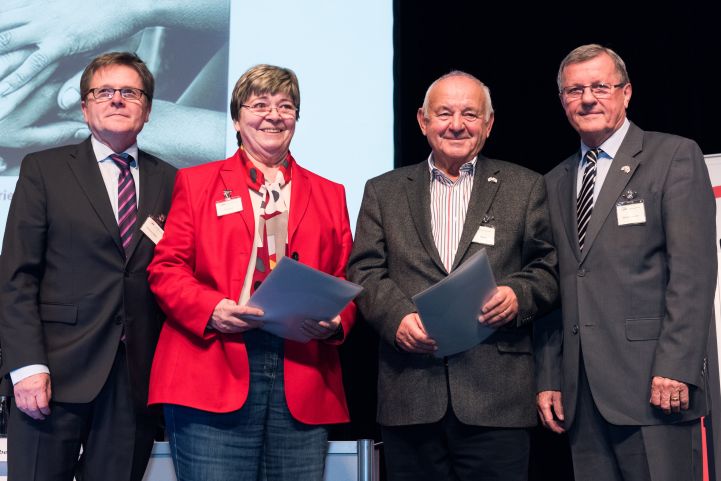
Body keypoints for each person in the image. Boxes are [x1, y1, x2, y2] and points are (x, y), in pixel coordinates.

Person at [146, 64, 356, 481]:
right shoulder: (197, 182)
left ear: (297, 117)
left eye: (285, 106)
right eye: (259, 105)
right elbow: (165, 269)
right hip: (212, 363)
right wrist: (212, 309)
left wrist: (336, 323)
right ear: (237, 118)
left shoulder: (331, 194)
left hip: (302, 369)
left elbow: (344, 275)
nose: (273, 115)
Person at [347, 71, 558, 481]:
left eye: (470, 114)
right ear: (423, 121)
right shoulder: (383, 190)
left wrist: (518, 295)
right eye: (444, 113)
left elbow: (548, 269)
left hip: (497, 400)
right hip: (410, 392)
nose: (456, 124)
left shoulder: (525, 185)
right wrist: (396, 319)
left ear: (489, 123)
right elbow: (365, 270)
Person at [535, 44, 716, 481]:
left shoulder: (673, 156)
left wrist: (675, 367)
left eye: (600, 86)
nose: (588, 98)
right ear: (562, 101)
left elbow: (692, 273)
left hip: (655, 387)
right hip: (582, 398)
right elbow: (554, 286)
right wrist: (550, 375)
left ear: (626, 92)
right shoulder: (554, 181)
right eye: (574, 90)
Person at [0, 51, 177, 480]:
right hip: (52, 375)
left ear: (148, 109)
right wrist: (26, 367)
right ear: (85, 106)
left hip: (133, 381)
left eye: (130, 92)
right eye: (105, 91)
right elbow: (16, 277)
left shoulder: (172, 180)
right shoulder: (44, 169)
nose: (117, 100)